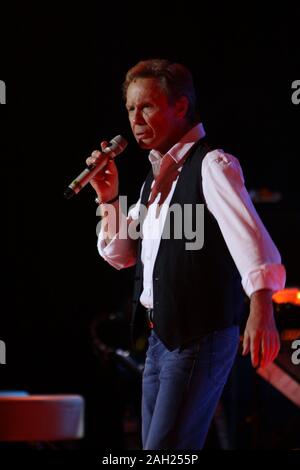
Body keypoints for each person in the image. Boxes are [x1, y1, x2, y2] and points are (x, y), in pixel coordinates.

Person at [86, 59, 286, 450]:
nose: (136, 118)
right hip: (161, 338)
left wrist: (262, 306)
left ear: (180, 106)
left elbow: (253, 240)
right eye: (130, 109)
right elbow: (121, 254)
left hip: (201, 335)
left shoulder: (212, 164)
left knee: (166, 451)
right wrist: (108, 198)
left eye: (147, 106)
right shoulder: (153, 179)